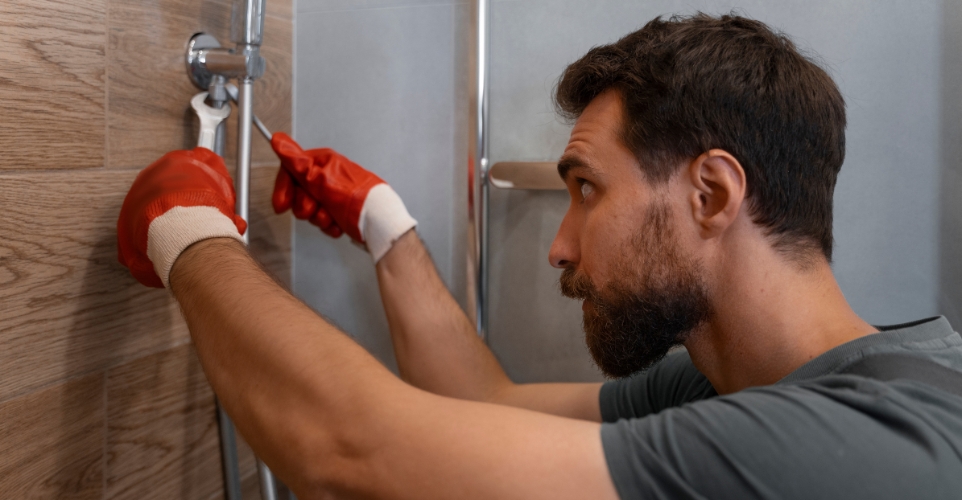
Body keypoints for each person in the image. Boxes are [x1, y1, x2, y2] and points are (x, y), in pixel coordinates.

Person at [116, 13, 962, 500]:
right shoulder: (742, 377)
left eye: (586, 189)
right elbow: (488, 401)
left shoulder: (870, 445)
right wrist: (385, 225)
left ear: (710, 195)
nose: (559, 245)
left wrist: (188, 229)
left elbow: (345, 450)